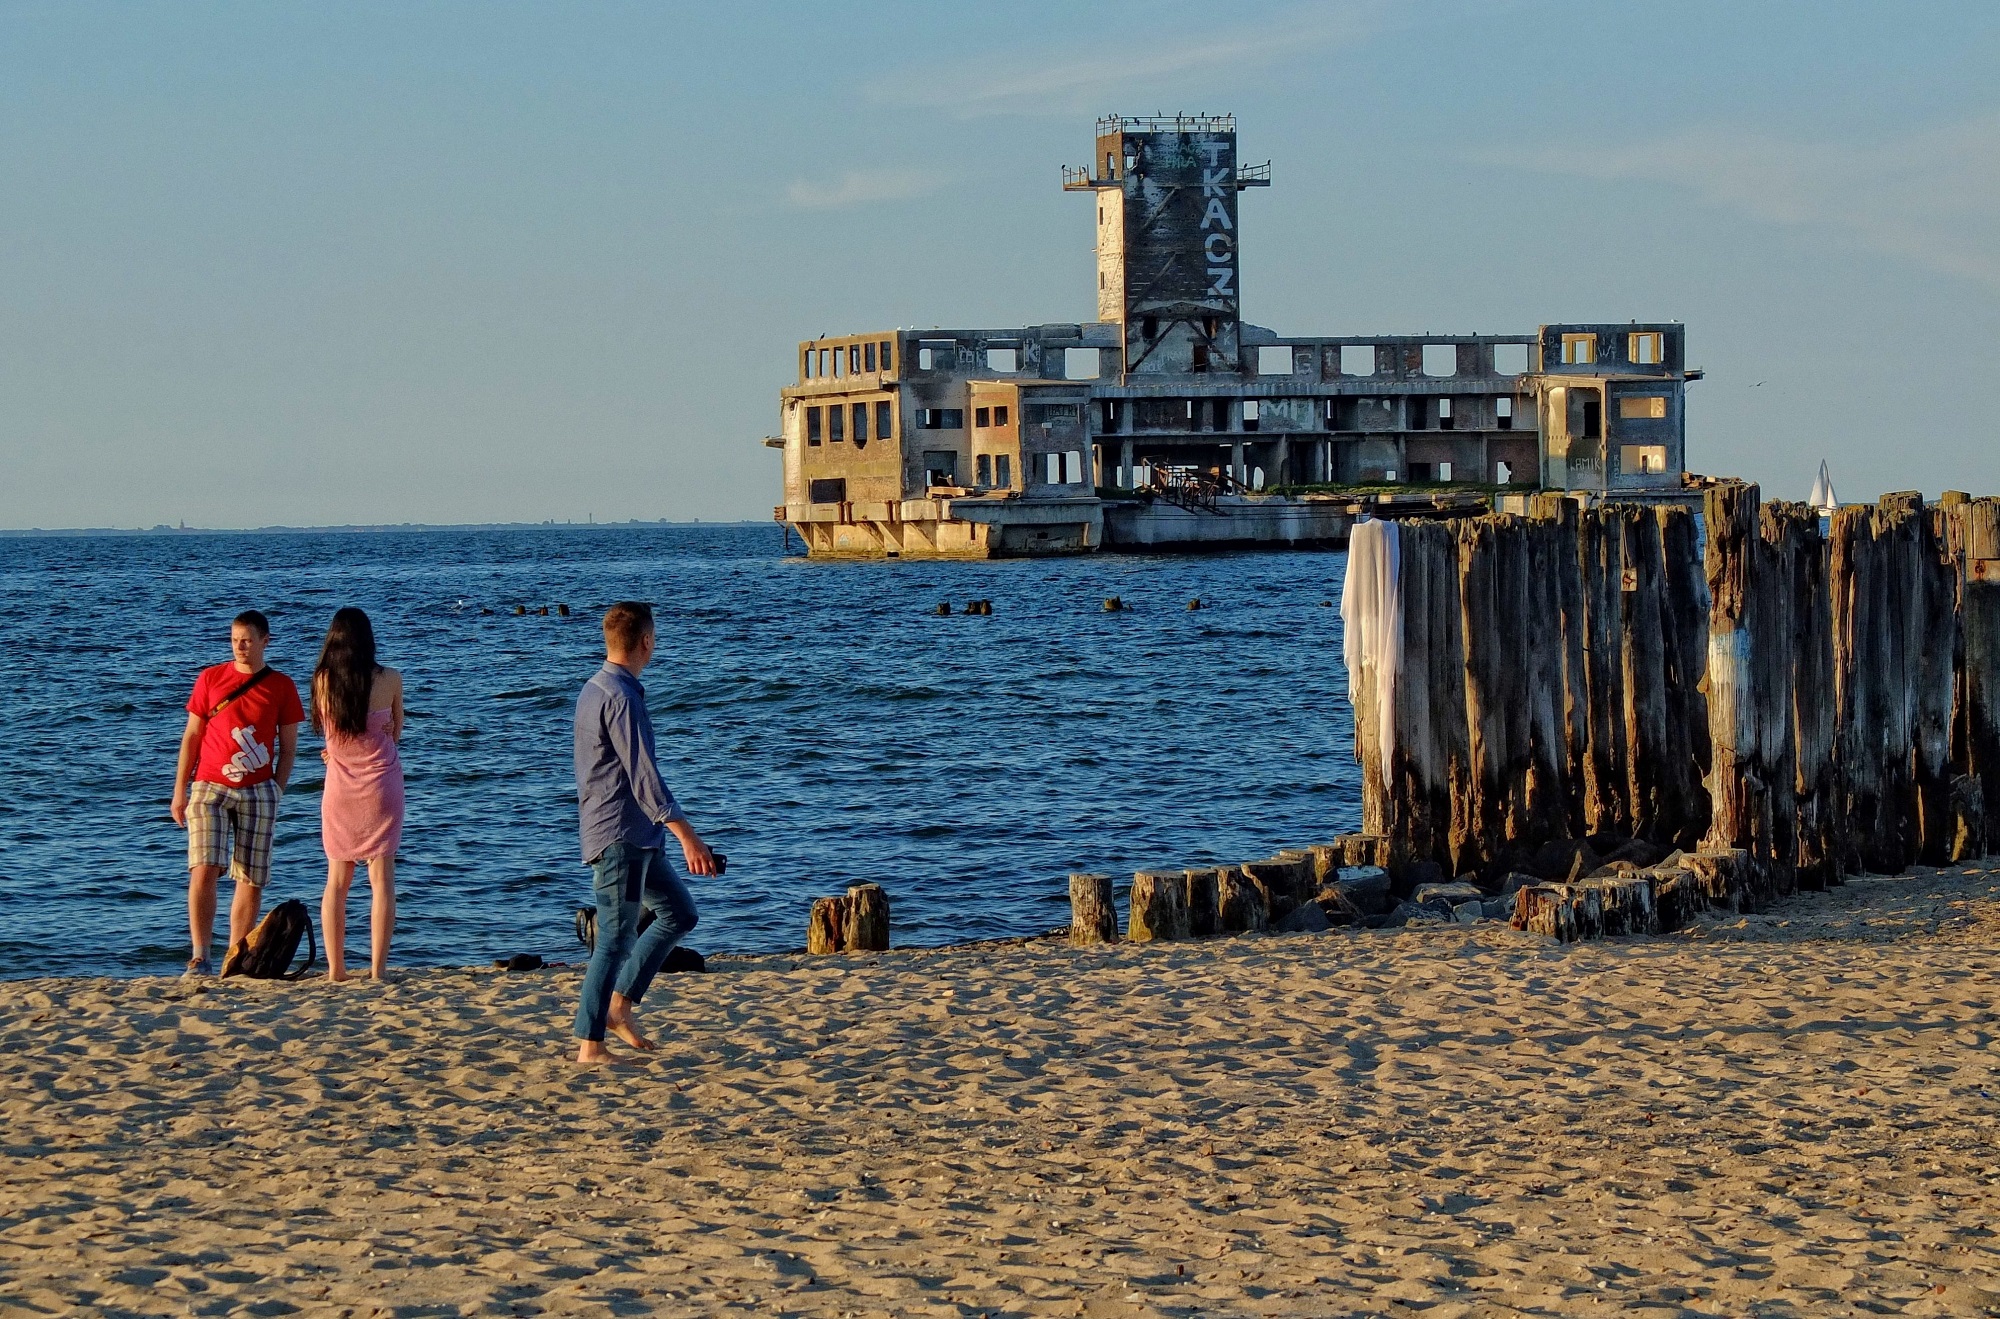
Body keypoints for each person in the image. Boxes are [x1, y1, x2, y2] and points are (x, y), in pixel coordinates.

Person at [572, 600, 717, 1065]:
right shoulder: (618, 696)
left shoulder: (599, 687)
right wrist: (686, 835)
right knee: (614, 938)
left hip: (638, 833)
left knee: (679, 913)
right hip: (619, 833)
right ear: (647, 642)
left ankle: (620, 1006)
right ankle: (590, 1044)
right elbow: (643, 777)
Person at [171, 610, 304, 976]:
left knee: (250, 875)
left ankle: (236, 954)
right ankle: (200, 954)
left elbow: (288, 746)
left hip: (258, 789)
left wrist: (277, 788)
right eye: (234, 640)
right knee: (204, 867)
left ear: (265, 641)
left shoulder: (281, 685)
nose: (239, 647)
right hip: (210, 785)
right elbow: (192, 737)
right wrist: (180, 790)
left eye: (247, 640)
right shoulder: (211, 678)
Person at [313, 607, 404, 982]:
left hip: (340, 787)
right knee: (381, 879)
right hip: (382, 785)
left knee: (337, 881)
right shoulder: (391, 678)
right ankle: (378, 971)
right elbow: (394, 734)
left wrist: (335, 753)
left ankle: (336, 970)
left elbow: (332, 739)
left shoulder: (322, 681)